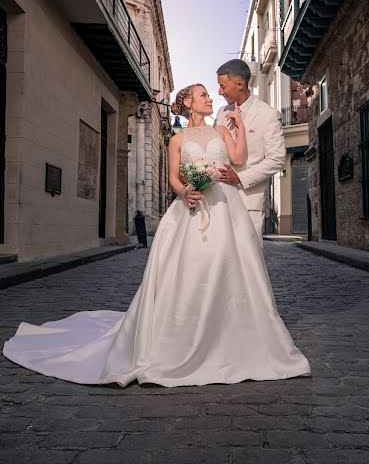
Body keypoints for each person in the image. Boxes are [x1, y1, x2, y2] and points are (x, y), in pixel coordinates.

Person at [3, 84, 310, 387]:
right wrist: (187, 192)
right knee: (190, 268)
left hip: (225, 208)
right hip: (191, 208)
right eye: (203, 95)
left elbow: (239, 160)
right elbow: (175, 178)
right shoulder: (177, 139)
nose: (209, 98)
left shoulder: (220, 130)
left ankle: (230, 332)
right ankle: (182, 335)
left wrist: (240, 127)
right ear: (188, 102)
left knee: (228, 264)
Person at [215, 59, 285, 245]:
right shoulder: (221, 113)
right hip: (219, 202)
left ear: (240, 84)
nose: (220, 92)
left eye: (223, 86)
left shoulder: (268, 115)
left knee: (249, 261)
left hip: (249, 203)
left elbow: (277, 159)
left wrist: (240, 178)